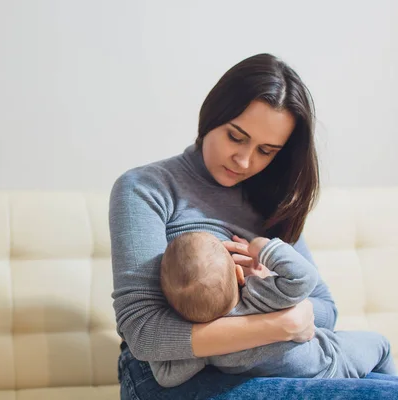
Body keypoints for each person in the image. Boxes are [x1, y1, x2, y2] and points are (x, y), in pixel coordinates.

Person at [108, 53, 398, 399]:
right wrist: (279, 323)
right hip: (172, 377)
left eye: (266, 150)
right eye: (236, 137)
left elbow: (324, 309)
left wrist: (270, 287)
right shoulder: (147, 188)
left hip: (272, 363)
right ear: (212, 116)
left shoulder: (269, 201)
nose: (245, 161)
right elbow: (145, 333)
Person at [149, 230, 396, 387]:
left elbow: (165, 375)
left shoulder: (207, 347)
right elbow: (305, 278)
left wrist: (178, 319)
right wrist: (262, 248)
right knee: (381, 345)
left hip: (291, 382)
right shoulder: (262, 296)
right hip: (332, 365)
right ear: (238, 273)